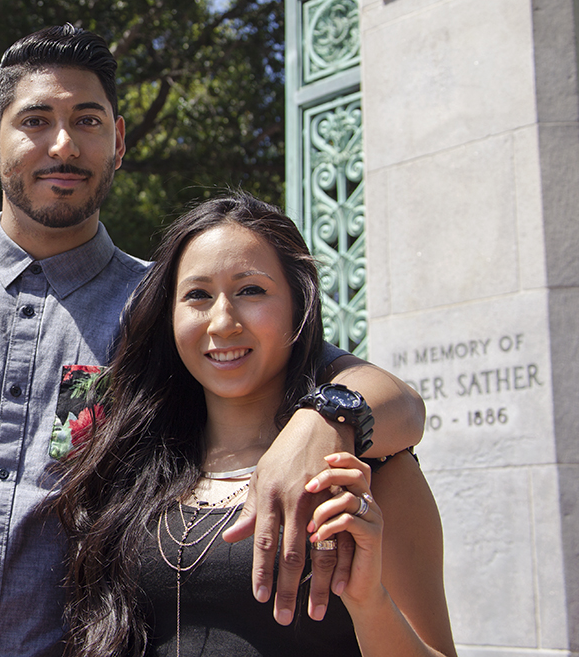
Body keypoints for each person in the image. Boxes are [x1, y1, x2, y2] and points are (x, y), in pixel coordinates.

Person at [0, 25, 426, 657]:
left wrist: (324, 421)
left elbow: (396, 403)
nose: (64, 146)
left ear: (119, 142)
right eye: (36, 121)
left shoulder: (169, 310)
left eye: (87, 121)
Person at [52, 193, 455, 656]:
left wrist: (369, 602)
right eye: (198, 295)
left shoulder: (365, 476)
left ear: (298, 308)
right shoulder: (125, 463)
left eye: (251, 291)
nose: (223, 322)